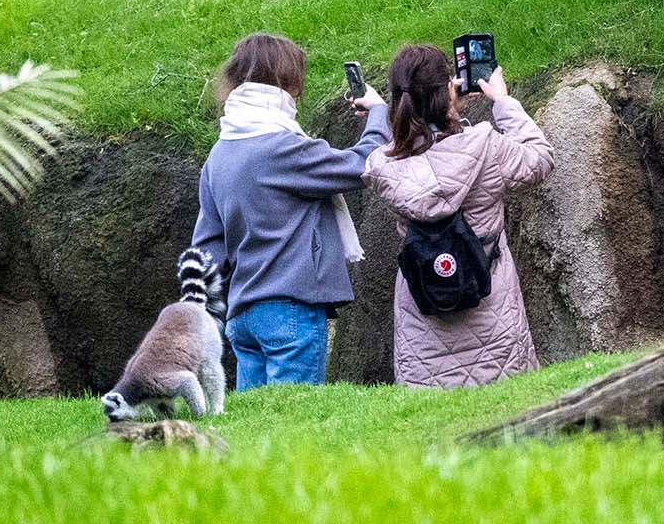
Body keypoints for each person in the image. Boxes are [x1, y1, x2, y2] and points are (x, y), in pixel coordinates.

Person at [191, 33, 389, 390]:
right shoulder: (282, 147)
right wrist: (379, 113)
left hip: (242, 316)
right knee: (293, 417)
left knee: (256, 421)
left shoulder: (218, 155)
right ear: (287, 82)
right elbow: (365, 163)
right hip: (290, 310)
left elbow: (207, 251)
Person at [362, 44, 554, 388]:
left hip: (423, 318)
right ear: (446, 91)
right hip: (491, 310)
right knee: (509, 411)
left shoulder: (382, 166)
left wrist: (434, 109)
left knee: (430, 418)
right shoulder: (485, 147)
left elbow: (412, 146)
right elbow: (539, 159)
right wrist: (502, 102)